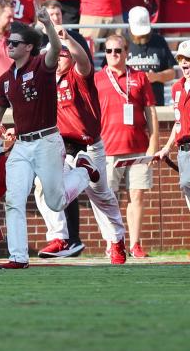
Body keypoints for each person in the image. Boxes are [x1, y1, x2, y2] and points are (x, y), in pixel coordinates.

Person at [0, 8, 99, 269]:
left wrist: (48, 25)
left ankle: (84, 171)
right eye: (8, 41)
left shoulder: (41, 65)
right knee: (14, 199)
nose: (8, 45)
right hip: (21, 145)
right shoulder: (5, 79)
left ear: (29, 47)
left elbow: (54, 48)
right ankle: (18, 257)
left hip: (47, 141)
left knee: (56, 201)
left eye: (14, 43)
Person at [33, 28, 128, 264]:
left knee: (102, 196)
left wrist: (66, 39)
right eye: (54, 54)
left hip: (89, 144)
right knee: (42, 184)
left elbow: (84, 61)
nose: (56, 58)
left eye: (62, 54)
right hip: (63, 146)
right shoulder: (45, 81)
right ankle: (59, 238)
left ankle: (116, 240)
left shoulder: (77, 75)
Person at [97, 34, 159, 259]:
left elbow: (150, 111)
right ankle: (112, 243)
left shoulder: (140, 77)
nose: (113, 55)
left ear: (126, 52)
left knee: (137, 196)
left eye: (118, 50)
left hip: (138, 146)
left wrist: (154, 143)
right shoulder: (96, 78)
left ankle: (135, 244)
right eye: (109, 51)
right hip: (107, 147)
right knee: (107, 199)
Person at [155, 40, 190, 215]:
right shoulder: (177, 88)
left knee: (186, 183)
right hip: (183, 151)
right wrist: (167, 148)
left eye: (188, 58)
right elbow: (178, 122)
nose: (185, 62)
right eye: (182, 58)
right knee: (186, 189)